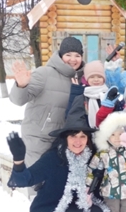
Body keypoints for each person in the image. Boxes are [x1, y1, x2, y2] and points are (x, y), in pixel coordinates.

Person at [6, 96, 108, 212]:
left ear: (88, 139)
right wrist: (19, 158)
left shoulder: (93, 159)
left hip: (81, 204)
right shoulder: (54, 158)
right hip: (51, 207)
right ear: (65, 138)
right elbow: (23, 180)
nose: (78, 141)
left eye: (82, 136)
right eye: (73, 136)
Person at [10, 37, 86, 168]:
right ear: (61, 55)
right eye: (68, 55)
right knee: (38, 184)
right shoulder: (44, 73)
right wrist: (21, 85)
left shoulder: (83, 80)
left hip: (66, 143)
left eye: (77, 55)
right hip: (39, 141)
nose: (73, 59)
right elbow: (18, 100)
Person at [66, 60, 109, 128]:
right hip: (87, 132)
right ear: (86, 79)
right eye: (92, 77)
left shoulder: (108, 95)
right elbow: (73, 115)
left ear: (104, 79)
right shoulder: (83, 96)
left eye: (99, 77)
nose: (96, 80)